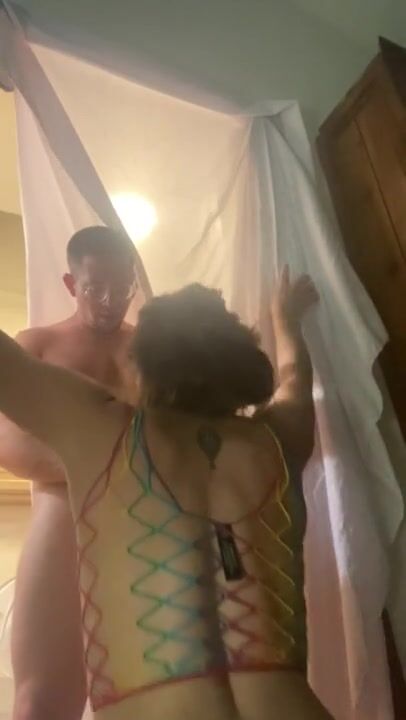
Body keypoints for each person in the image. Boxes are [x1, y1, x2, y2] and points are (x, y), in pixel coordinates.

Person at [0, 268, 331, 720]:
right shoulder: (280, 439)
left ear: (142, 367)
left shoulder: (104, 432)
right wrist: (286, 321)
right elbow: (294, 380)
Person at [0, 225, 146, 720]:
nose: (109, 301)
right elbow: (7, 441)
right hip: (64, 517)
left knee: (146, 696)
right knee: (40, 702)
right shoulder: (37, 345)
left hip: (143, 523)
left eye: (121, 287)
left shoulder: (152, 351)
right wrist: (93, 461)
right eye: (94, 287)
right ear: (70, 284)